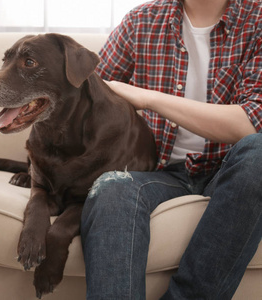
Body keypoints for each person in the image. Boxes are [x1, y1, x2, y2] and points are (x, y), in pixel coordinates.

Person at [80, 0, 262, 299]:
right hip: (161, 172)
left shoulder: (257, 19)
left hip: (232, 170)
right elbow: (91, 92)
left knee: (259, 152)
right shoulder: (142, 20)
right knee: (112, 187)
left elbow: (251, 122)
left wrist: (149, 98)